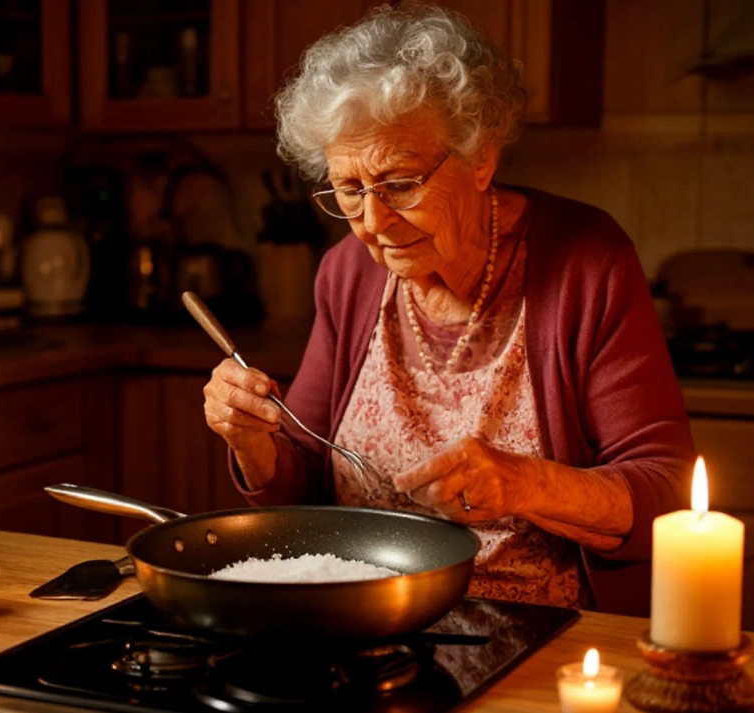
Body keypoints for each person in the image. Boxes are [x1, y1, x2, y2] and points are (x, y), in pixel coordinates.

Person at [201, 3, 695, 615]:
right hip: (367, 619)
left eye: (401, 184)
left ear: (480, 156)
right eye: (350, 190)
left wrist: (525, 483)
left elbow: (667, 495)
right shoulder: (348, 273)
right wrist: (251, 439)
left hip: (540, 626)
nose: (375, 223)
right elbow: (301, 478)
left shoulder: (587, 263)